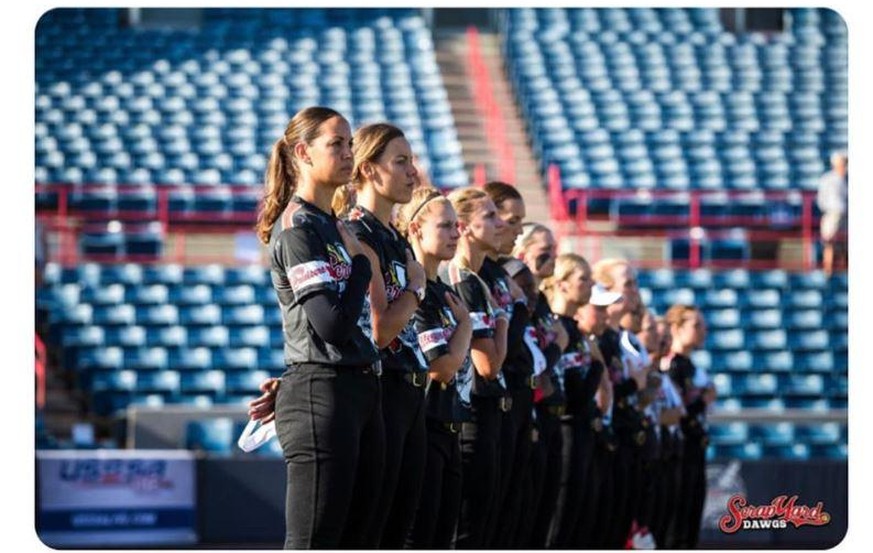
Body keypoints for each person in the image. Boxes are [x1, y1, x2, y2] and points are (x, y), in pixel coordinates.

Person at [253, 106, 384, 549]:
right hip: (322, 392)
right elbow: (330, 325)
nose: (348, 153)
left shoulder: (331, 224)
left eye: (350, 143)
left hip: (358, 390)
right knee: (315, 541)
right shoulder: (299, 226)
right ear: (303, 152)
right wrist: (363, 266)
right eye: (337, 144)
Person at [336, 123, 430, 548]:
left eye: (411, 161)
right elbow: (380, 328)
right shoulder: (356, 232)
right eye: (401, 161)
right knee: (373, 530)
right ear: (370, 170)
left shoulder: (397, 237)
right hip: (383, 391)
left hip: (412, 394)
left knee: (404, 527)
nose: (414, 172)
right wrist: (416, 288)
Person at [397, 187, 474, 548]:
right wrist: (467, 328)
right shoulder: (415, 289)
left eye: (457, 225)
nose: (456, 233)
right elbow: (441, 368)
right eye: (445, 226)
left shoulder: (447, 291)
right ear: (415, 229)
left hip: (451, 427)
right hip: (423, 428)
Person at [442, 187, 510, 549]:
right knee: (469, 529)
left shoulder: (476, 279)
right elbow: (488, 363)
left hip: (482, 415)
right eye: (490, 217)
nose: (499, 224)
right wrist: (503, 321)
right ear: (465, 227)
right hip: (472, 415)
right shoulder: (462, 280)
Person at [480, 182, 538, 548]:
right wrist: (516, 307)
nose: (517, 230)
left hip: (509, 409)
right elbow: (495, 358)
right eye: (511, 220)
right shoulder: (474, 277)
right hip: (480, 410)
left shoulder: (502, 275)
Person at [540, 254, 604, 549]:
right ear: (563, 284)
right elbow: (573, 394)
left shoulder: (576, 331)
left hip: (580, 430)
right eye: (584, 279)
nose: (591, 285)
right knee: (557, 520)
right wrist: (597, 368)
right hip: (562, 428)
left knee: (578, 522)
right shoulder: (554, 326)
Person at [591, 258, 649, 548]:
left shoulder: (620, 338)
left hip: (626, 436)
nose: (635, 291)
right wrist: (634, 383)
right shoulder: (598, 338)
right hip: (604, 439)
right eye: (628, 284)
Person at [573, 283, 623, 548]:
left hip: (595, 438)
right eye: (599, 308)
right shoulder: (572, 341)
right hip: (575, 439)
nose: (606, 315)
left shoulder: (591, 342)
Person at [664, 304, 715, 549]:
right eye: (696, 325)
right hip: (679, 450)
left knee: (692, 517)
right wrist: (703, 399)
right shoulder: (671, 365)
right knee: (679, 521)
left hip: (695, 446)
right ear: (676, 328)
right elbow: (677, 412)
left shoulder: (692, 365)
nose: (703, 330)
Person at [817, 151, 848, 276]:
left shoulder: (848, 179)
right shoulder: (827, 179)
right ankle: (827, 272)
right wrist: (829, 211)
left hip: (847, 216)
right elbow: (822, 199)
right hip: (832, 214)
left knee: (844, 244)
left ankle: (843, 272)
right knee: (829, 242)